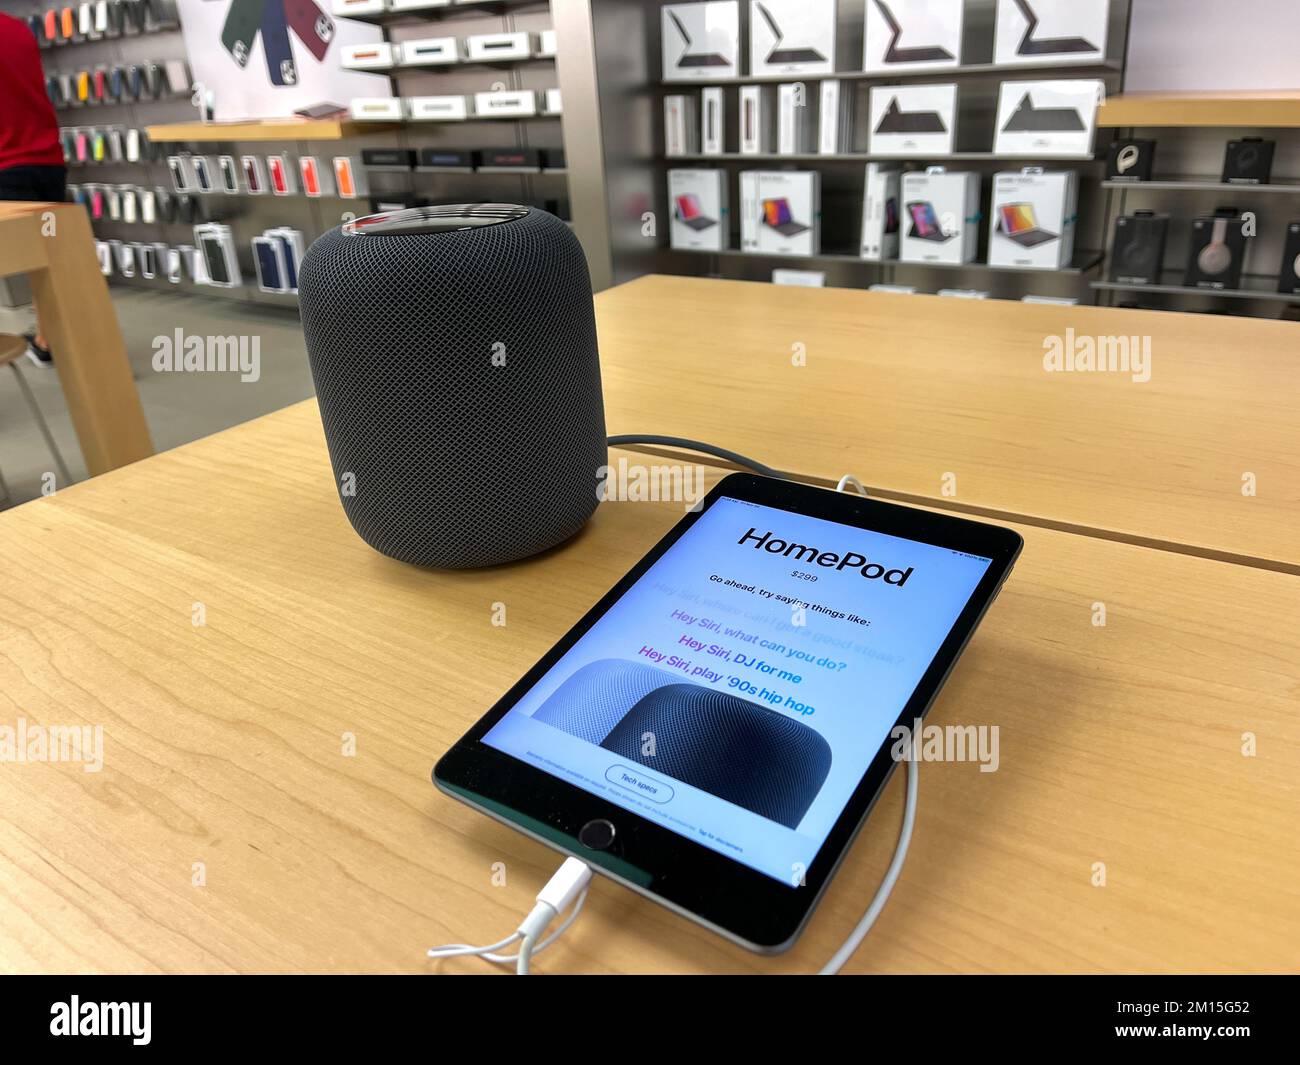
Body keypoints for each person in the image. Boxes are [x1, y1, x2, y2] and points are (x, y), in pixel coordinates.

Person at [0, 12, 68, 367]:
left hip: (5, 172)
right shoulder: (17, 28)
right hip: (46, 167)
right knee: (48, 258)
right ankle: (48, 340)